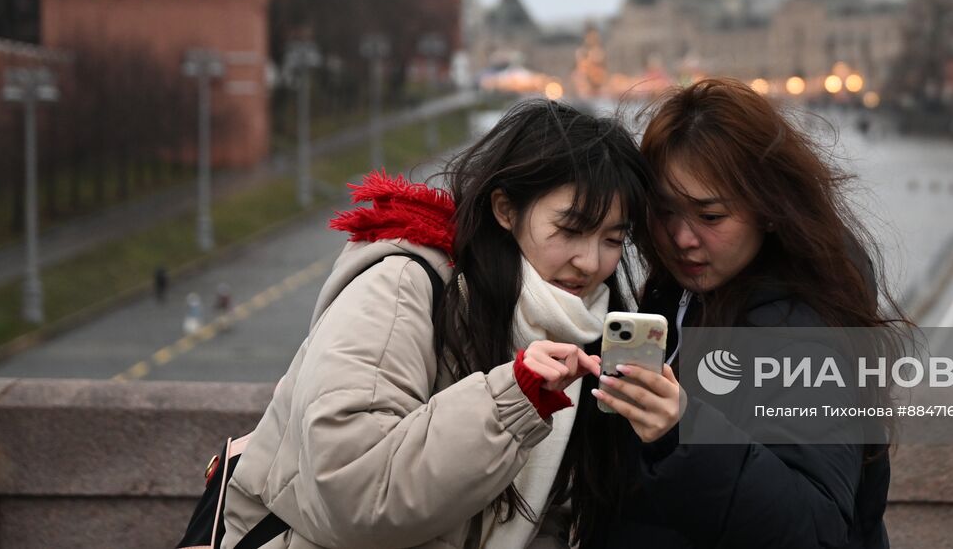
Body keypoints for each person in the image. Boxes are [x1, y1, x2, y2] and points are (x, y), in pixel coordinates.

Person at [221, 99, 654, 549]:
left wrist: (664, 434)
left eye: (612, 239)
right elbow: (352, 491)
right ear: (505, 209)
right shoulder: (402, 285)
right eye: (570, 230)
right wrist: (513, 401)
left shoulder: (585, 326)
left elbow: (550, 519)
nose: (590, 262)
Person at [588, 77, 904, 549]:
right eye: (664, 212)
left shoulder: (802, 339)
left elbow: (817, 528)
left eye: (710, 216)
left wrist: (683, 433)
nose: (681, 239)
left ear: (769, 209)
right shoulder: (680, 296)